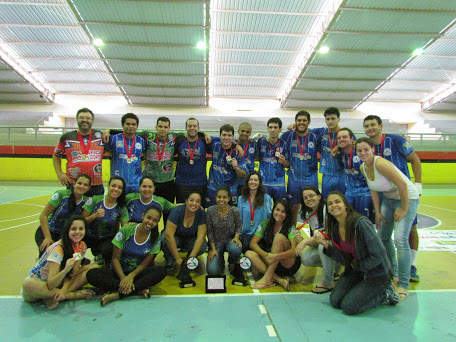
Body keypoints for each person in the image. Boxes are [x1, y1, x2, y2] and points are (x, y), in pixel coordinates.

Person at [314, 191, 399, 315]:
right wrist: (326, 246)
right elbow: (345, 260)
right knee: (335, 301)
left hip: (377, 274)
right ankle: (361, 288)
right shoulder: (335, 229)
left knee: (349, 307)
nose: (334, 205)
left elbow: (379, 254)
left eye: (337, 202)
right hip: (357, 271)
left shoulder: (361, 223)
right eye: (330, 204)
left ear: (346, 206)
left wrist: (359, 266)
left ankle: (386, 294)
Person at [356, 137, 419, 300]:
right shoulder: (363, 167)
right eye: (359, 151)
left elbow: (403, 185)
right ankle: (395, 273)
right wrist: (377, 211)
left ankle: (403, 284)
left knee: (400, 240)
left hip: (407, 198)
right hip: (389, 200)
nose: (363, 153)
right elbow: (374, 190)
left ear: (373, 150)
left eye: (366, 150)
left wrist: (404, 209)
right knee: (382, 237)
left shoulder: (380, 163)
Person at [364, 114, 422, 282]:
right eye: (367, 126)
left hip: (403, 193)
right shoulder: (366, 148)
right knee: (383, 232)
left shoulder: (396, 140)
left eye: (373, 124)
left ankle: (411, 265)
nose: (370, 128)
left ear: (381, 125)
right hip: (384, 194)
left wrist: (418, 184)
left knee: (409, 230)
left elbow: (415, 160)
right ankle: (391, 269)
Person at [86, 206, 167, 306]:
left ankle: (118, 293)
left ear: (158, 222)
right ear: (143, 216)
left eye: (155, 220)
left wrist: (131, 277)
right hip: (118, 272)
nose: (150, 222)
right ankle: (137, 290)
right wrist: (123, 278)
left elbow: (145, 263)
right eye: (148, 218)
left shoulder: (156, 238)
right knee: (91, 274)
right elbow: (115, 259)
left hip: (136, 274)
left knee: (162, 271)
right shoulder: (126, 230)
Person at [22, 216, 97, 310]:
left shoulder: (81, 247)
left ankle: (56, 296)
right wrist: (65, 270)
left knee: (93, 267)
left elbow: (73, 273)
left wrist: (63, 289)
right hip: (41, 285)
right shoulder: (58, 250)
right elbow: (51, 284)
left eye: (81, 229)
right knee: (28, 284)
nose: (77, 232)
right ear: (67, 231)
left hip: (59, 282)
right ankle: (69, 295)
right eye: (73, 229)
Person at [246, 199, 300, 290]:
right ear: (273, 210)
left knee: (279, 237)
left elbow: (293, 251)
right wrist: (266, 255)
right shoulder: (265, 224)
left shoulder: (291, 227)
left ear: (287, 214)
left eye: (283, 211)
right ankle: (277, 279)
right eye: (277, 210)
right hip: (272, 262)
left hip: (287, 264)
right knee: (248, 253)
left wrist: (275, 256)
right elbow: (253, 243)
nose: (279, 213)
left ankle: (267, 278)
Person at [295, 186, 339, 294]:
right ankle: (334, 268)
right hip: (331, 247)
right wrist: (302, 240)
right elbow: (316, 238)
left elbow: (327, 235)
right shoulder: (310, 214)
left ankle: (328, 282)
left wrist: (305, 241)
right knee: (306, 258)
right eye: (305, 198)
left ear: (319, 196)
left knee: (323, 246)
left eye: (311, 196)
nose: (308, 199)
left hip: (339, 246)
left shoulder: (326, 210)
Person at [35, 174, 91, 257]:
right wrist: (47, 237)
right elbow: (43, 216)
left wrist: (96, 215)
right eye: (79, 183)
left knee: (72, 254)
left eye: (85, 185)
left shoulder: (87, 201)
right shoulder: (61, 195)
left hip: (66, 235)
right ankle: (41, 266)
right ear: (74, 184)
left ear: (89, 188)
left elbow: (83, 221)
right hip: (49, 231)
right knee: (49, 253)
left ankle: (80, 262)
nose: (82, 186)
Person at [53, 108, 105, 197]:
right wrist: (59, 173)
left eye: (88, 118)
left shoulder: (101, 136)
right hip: (74, 183)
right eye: (81, 117)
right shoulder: (67, 137)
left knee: (96, 210)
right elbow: (56, 155)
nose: (85, 120)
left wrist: (109, 131)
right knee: (75, 210)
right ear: (77, 119)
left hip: (96, 184)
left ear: (92, 121)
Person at [281, 111, 319, 224]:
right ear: (295, 122)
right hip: (294, 179)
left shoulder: (315, 137)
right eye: (299, 120)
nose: (301, 123)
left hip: (311, 178)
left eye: (304, 120)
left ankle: (315, 230)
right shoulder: (288, 136)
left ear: (309, 122)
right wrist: (284, 162)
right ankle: (292, 230)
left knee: (313, 206)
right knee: (293, 207)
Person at [82, 176, 129, 266]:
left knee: (108, 251)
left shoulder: (121, 207)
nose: (116, 189)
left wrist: (130, 227)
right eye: (113, 186)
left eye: (119, 188)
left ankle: (104, 262)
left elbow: (124, 228)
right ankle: (80, 261)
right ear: (108, 186)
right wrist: (94, 216)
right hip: (89, 236)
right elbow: (81, 221)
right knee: (74, 245)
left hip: (106, 239)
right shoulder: (94, 200)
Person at [162, 192, 208, 271]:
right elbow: (169, 235)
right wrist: (177, 258)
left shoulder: (201, 214)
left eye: (197, 201)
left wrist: (191, 258)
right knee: (164, 238)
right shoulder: (176, 211)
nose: (194, 203)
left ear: (200, 204)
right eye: (191, 200)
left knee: (203, 245)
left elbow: (201, 237)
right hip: (176, 238)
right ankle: (170, 258)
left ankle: (191, 258)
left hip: (191, 239)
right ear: (186, 201)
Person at [337, 127, 375, 223]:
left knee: (364, 222)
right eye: (339, 138)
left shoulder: (361, 153)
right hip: (349, 193)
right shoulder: (340, 154)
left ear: (352, 139)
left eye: (345, 137)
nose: (341, 139)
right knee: (348, 220)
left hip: (365, 193)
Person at [206, 124, 247, 207]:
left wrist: (237, 168)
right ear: (219, 136)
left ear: (233, 137)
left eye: (229, 135)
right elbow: (202, 137)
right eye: (224, 135)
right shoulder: (214, 146)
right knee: (210, 213)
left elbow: (244, 175)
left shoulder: (238, 152)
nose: (226, 138)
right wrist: (205, 133)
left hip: (230, 190)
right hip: (213, 188)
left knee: (231, 215)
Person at [105, 113, 146, 194]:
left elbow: (145, 154)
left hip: (136, 183)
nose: (131, 126)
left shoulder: (141, 141)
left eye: (133, 124)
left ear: (137, 126)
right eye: (128, 124)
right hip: (117, 183)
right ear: (122, 125)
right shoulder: (113, 139)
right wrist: (107, 130)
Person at [206, 186, 243, 276]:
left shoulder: (234, 210)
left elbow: (239, 226)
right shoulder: (210, 211)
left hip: (230, 241)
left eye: (224, 197)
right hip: (216, 243)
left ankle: (232, 262)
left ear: (229, 198)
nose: (221, 200)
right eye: (219, 197)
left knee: (235, 248)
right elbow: (209, 232)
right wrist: (213, 249)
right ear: (215, 197)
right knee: (212, 271)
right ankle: (220, 260)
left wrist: (236, 238)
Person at [175, 117, 211, 204]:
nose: (192, 128)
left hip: (200, 184)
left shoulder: (204, 140)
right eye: (189, 126)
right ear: (185, 128)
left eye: (194, 126)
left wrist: (236, 144)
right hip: (182, 183)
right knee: (181, 210)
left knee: (199, 211)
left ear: (198, 128)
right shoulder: (179, 140)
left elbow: (223, 139)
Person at [313, 107, 345, 199]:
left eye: (333, 118)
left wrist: (339, 146)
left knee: (343, 201)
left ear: (338, 119)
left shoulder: (345, 133)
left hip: (343, 174)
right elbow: (305, 130)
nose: (330, 121)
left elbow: (355, 144)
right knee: (327, 201)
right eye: (328, 119)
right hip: (327, 174)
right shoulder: (321, 132)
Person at [237, 171, 273, 251]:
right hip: (246, 234)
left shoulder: (266, 198)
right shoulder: (241, 199)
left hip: (260, 235)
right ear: (247, 182)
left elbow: (269, 217)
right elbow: (238, 219)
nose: (253, 182)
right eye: (251, 180)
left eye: (256, 180)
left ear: (259, 183)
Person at [256, 118, 289, 203]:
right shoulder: (261, 142)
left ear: (280, 129)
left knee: (280, 209)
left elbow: (288, 164)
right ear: (267, 129)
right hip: (263, 183)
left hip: (279, 184)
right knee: (262, 209)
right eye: (270, 127)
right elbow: (255, 157)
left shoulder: (284, 144)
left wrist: (284, 162)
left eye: (275, 127)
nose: (272, 130)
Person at [235, 122, 258, 195]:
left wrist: (260, 136)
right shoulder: (232, 143)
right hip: (233, 181)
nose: (244, 133)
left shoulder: (254, 144)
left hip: (249, 182)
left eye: (247, 132)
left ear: (250, 133)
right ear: (238, 131)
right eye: (242, 131)